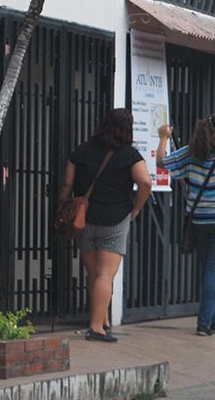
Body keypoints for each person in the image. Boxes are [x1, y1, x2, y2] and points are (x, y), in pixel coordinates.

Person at [58, 108, 152, 343]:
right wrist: (137, 207)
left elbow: (67, 183)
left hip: (84, 219)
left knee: (94, 273)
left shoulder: (81, 151)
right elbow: (145, 183)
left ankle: (103, 319)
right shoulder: (129, 155)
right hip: (115, 219)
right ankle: (96, 327)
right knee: (106, 274)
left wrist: (64, 205)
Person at [156, 113, 215, 336]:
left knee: (208, 270)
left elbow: (162, 162)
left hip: (199, 220)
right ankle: (204, 322)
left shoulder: (192, 153)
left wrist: (163, 138)